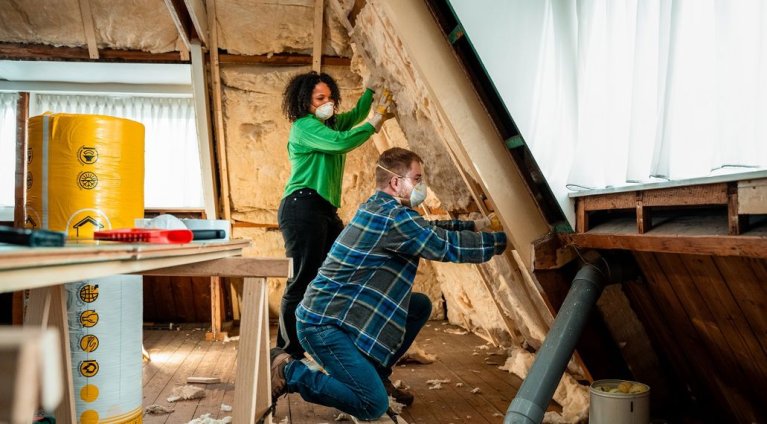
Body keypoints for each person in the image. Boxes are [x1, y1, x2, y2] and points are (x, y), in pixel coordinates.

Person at [269, 147, 507, 420]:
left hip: (335, 317)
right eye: (416, 179)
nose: (421, 185)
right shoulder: (393, 217)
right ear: (396, 182)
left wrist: (476, 226)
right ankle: (288, 371)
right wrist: (505, 242)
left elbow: (428, 228)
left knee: (418, 305)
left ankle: (376, 373)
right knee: (372, 405)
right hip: (322, 327)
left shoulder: (382, 208)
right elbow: (443, 245)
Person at [277, 71, 394, 360]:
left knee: (336, 273)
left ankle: (324, 340)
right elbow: (343, 141)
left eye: (330, 97)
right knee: (302, 279)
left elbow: (353, 117)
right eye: (320, 98)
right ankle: (287, 352)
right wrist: (376, 121)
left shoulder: (327, 124)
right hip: (302, 207)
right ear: (305, 101)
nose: (327, 103)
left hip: (324, 210)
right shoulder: (304, 126)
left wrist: (370, 91)